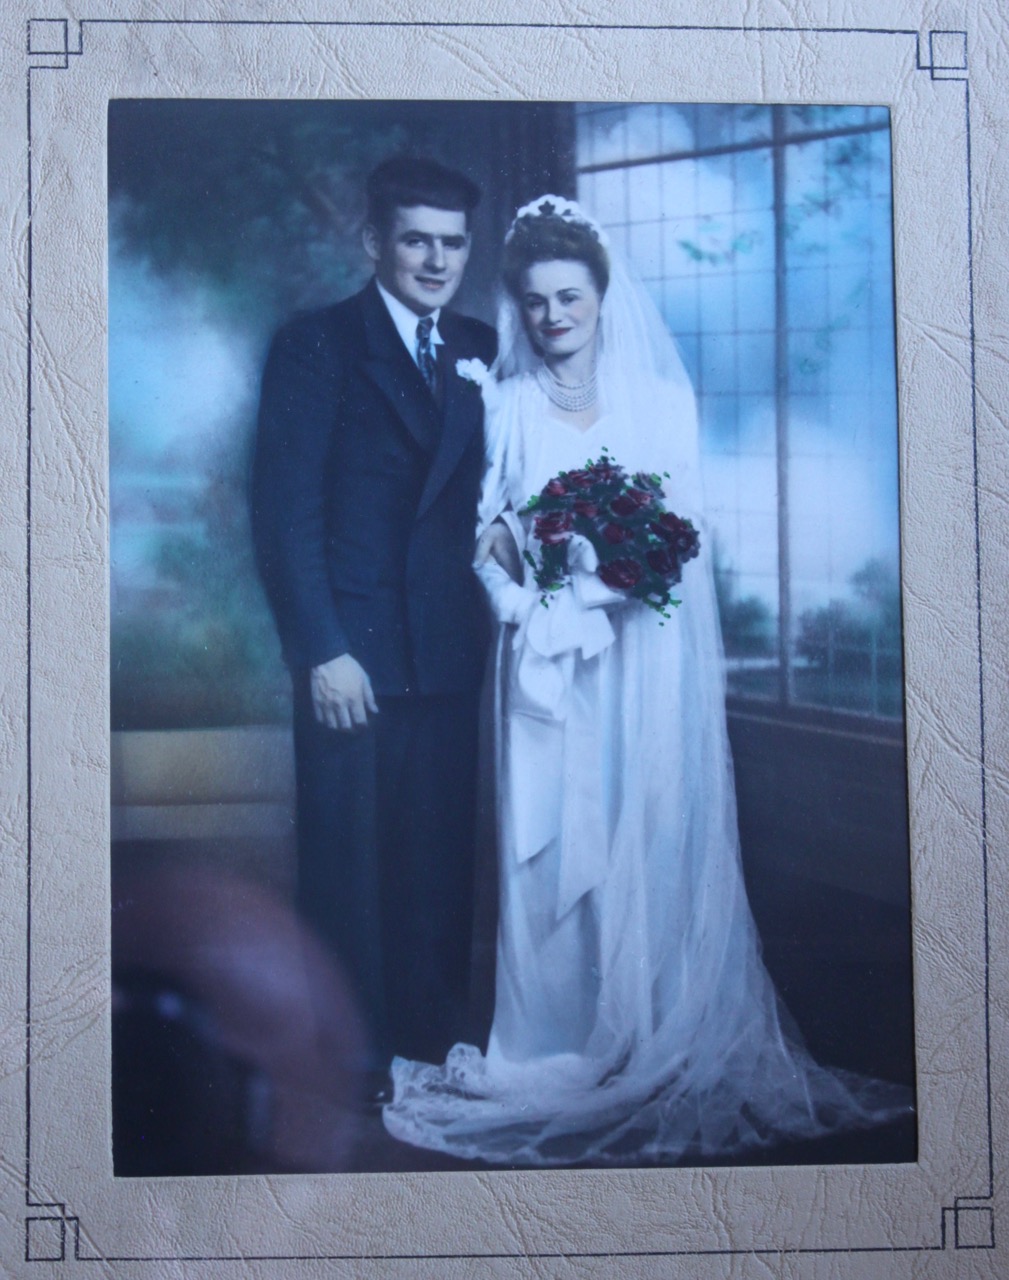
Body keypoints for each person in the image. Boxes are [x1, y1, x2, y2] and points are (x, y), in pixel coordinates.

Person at [382, 195, 911, 1165]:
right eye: (535, 300)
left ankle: (648, 1024)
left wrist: (607, 577)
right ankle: (550, 1041)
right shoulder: (505, 404)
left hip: (641, 661)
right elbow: (484, 536)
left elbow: (683, 533)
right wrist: (526, 599)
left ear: (601, 295)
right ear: (518, 306)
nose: (551, 317)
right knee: (549, 847)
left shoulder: (660, 401)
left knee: (644, 826)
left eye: (568, 297)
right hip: (546, 661)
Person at [251, 157, 497, 1099]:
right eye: (415, 240)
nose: (436, 260)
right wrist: (321, 650)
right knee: (347, 870)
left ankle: (426, 1048)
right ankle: (349, 1066)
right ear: (373, 242)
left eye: (452, 243)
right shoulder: (316, 343)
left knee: (436, 866)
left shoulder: (478, 344)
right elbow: (285, 513)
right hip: (351, 656)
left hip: (446, 653)